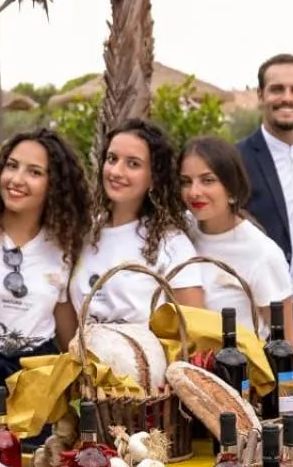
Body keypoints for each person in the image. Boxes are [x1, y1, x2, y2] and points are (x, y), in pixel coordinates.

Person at [0, 128, 88, 409]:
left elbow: (65, 328)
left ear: (55, 184)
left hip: (36, 384)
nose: (16, 179)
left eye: (34, 172)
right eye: (12, 166)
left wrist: (84, 376)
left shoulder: (65, 247)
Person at [237, 54, 293, 401]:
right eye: (277, 89)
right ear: (261, 95)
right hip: (262, 320)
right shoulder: (239, 159)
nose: (287, 98)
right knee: (263, 418)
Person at [71, 118, 205, 322]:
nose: (116, 171)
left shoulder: (172, 244)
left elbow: (193, 327)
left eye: (133, 164)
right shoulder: (86, 231)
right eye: (112, 159)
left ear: (153, 177)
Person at [180, 135, 293, 352]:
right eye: (186, 181)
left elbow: (287, 344)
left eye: (208, 180)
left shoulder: (262, 253)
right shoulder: (179, 232)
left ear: (232, 189)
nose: (194, 192)